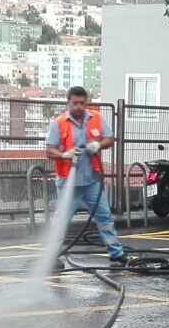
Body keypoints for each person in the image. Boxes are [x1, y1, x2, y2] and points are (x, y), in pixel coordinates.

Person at [44, 86, 127, 266]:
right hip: (69, 183)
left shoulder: (95, 118)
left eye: (82, 103)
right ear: (68, 102)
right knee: (61, 221)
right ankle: (51, 256)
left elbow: (109, 139)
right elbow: (49, 150)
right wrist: (64, 154)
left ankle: (116, 253)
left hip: (91, 181)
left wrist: (97, 145)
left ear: (86, 103)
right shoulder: (58, 123)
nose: (79, 107)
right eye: (75, 103)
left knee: (104, 217)